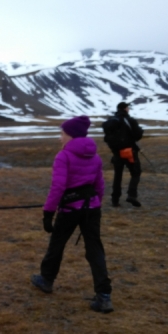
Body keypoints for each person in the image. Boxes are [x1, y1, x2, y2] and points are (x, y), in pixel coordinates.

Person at [31, 116, 114, 313]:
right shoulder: (95, 156)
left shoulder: (64, 156)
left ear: (71, 135)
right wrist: (96, 204)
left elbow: (58, 186)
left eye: (62, 134)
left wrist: (48, 212)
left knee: (57, 244)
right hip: (92, 209)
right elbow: (99, 185)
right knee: (95, 250)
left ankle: (46, 280)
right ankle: (104, 296)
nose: (60, 138)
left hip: (70, 210)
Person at [102, 102, 144, 207]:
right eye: (128, 107)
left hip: (116, 152)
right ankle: (132, 195)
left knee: (118, 175)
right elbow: (137, 135)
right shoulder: (130, 120)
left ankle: (115, 200)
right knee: (135, 173)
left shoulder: (112, 121)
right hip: (129, 151)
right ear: (125, 109)